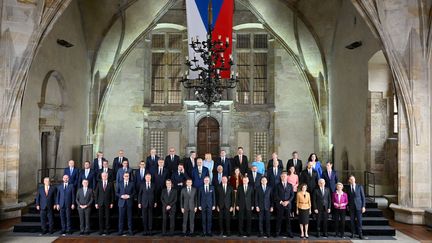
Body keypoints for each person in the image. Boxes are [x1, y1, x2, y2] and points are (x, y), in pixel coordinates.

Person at [274, 172, 294, 238]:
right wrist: (281, 202)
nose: (283, 177)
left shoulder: (290, 185)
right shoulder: (277, 185)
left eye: (285, 176)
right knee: (279, 219)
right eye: (282, 176)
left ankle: (289, 232)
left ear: (287, 177)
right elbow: (276, 195)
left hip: (288, 205)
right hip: (280, 205)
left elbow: (292, 195)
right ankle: (277, 232)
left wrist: (287, 201)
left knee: (288, 219)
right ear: (280, 177)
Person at [348, 175, 366, 239]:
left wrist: (363, 206)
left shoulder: (359, 186)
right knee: (352, 221)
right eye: (351, 179)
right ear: (349, 181)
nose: (352, 180)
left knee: (359, 221)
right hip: (351, 207)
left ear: (355, 179)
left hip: (359, 206)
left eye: (353, 179)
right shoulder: (348, 187)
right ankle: (352, 233)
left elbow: (363, 197)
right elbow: (348, 198)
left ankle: (360, 234)